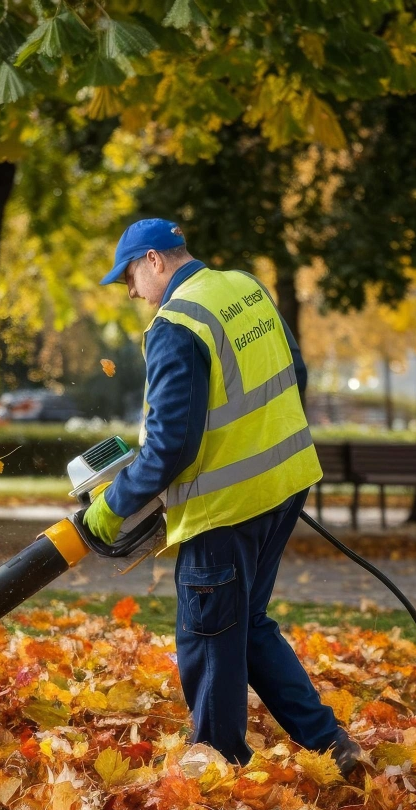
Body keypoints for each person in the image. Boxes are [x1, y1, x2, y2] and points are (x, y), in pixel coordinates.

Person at [84, 219, 362, 777]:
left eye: (132, 277)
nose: (133, 292)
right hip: (284, 484)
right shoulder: (244, 288)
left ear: (157, 261)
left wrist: (112, 505)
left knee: (208, 637)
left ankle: (215, 773)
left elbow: (169, 447)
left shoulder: (176, 324)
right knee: (247, 624)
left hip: (225, 509)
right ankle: (331, 745)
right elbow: (294, 373)